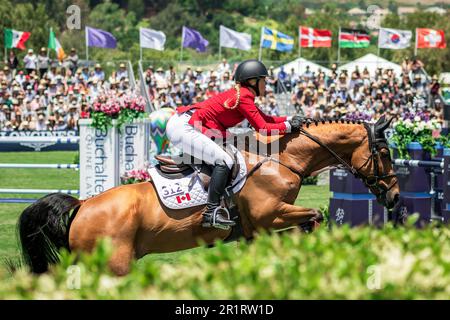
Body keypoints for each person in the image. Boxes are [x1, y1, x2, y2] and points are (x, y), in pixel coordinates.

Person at [165, 59, 303, 229]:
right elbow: (264, 128)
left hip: (190, 123)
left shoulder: (243, 94)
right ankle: (211, 213)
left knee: (227, 156)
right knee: (224, 161)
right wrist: (289, 127)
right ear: (253, 81)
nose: (266, 84)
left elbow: (266, 119)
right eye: (264, 80)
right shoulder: (244, 96)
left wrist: (291, 119)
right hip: (185, 126)